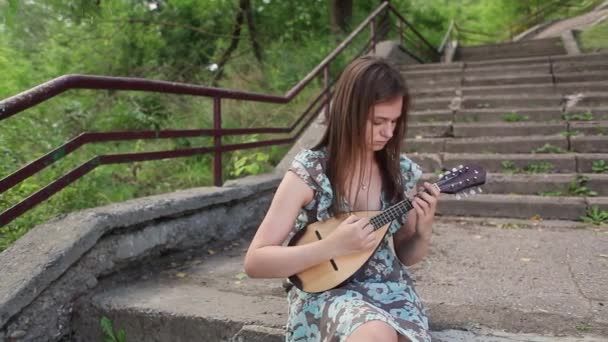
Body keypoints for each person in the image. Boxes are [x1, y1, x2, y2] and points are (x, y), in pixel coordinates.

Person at [244, 55, 440, 342]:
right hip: (325, 292)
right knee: (375, 334)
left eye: (395, 122)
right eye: (378, 121)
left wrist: (423, 231)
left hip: (390, 291)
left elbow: (407, 256)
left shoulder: (400, 172)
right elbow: (255, 262)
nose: (389, 132)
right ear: (350, 113)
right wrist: (331, 246)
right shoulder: (310, 172)